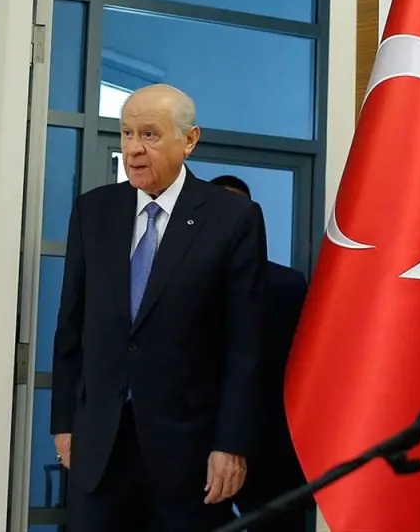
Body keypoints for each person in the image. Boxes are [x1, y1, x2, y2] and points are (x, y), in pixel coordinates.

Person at [50, 84, 268, 532]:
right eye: (127, 133)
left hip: (189, 454)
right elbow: (71, 324)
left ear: (189, 140)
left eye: (149, 134)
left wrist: (231, 444)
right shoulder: (94, 211)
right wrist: (65, 424)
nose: (133, 148)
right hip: (100, 447)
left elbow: (245, 347)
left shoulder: (232, 219)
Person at [210, 175, 311, 532]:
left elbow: (301, 368)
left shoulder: (288, 285)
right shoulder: (173, 281)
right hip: (194, 448)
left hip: (271, 448)